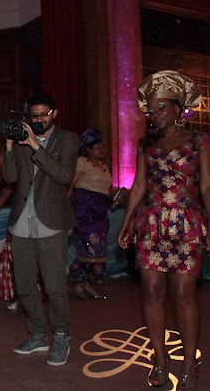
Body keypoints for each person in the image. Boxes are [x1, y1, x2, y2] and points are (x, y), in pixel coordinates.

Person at [116, 70, 210, 390]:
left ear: (178, 107)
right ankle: (160, 360)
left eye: (161, 107)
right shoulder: (145, 144)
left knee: (184, 295)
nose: (154, 114)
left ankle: (190, 363)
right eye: (151, 109)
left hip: (188, 224)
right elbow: (139, 186)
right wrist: (125, 223)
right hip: (151, 224)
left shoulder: (200, 141)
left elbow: (207, 185)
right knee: (151, 292)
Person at [2, 93, 79, 366]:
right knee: (24, 285)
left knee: (54, 286)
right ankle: (37, 334)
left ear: (54, 114)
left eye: (43, 115)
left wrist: (37, 147)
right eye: (33, 116)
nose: (38, 120)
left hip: (51, 222)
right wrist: (11, 145)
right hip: (22, 221)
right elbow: (10, 177)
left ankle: (61, 336)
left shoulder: (68, 139)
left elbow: (64, 175)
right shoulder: (22, 140)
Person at [67, 127, 118, 300]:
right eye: (97, 147)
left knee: (98, 250)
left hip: (100, 212)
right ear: (88, 149)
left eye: (103, 147)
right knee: (89, 247)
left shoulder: (104, 167)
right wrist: (66, 207)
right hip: (84, 211)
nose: (102, 150)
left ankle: (86, 283)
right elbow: (70, 186)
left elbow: (107, 189)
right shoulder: (82, 162)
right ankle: (80, 283)